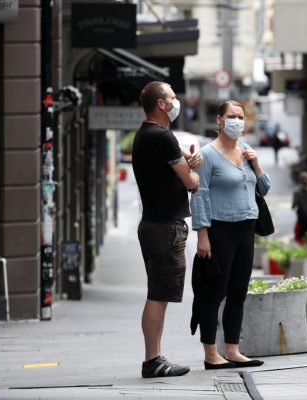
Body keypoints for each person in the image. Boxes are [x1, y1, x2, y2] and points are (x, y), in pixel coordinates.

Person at [190, 100, 271, 370]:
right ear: (219, 120)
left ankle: (233, 350)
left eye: (240, 116)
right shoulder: (207, 155)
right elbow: (199, 196)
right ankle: (211, 353)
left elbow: (264, 187)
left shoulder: (246, 151)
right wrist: (203, 235)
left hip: (247, 229)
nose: (237, 121)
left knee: (238, 291)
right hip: (219, 229)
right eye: (231, 116)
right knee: (214, 293)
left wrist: (257, 164)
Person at [132, 81, 202, 378]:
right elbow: (191, 182)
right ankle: (152, 360)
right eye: (172, 97)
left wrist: (188, 157)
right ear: (161, 104)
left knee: (158, 293)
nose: (177, 101)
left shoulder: (148, 134)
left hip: (155, 224)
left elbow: (175, 156)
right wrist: (194, 171)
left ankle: (155, 357)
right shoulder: (161, 137)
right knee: (158, 295)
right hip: (164, 228)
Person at [292, 171, 307, 245]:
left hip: (302, 217)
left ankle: (303, 252)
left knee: (300, 236)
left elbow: (294, 205)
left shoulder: (297, 191)